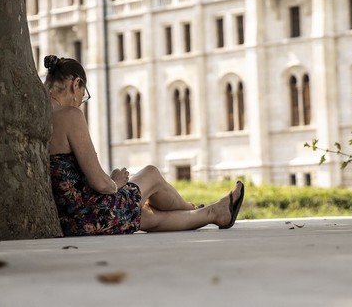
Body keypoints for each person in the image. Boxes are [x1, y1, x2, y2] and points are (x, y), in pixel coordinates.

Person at [44, 55, 245, 236]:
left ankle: (215, 212)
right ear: (75, 84)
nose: (80, 103)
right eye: (82, 96)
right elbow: (101, 184)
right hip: (91, 215)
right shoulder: (69, 115)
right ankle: (192, 207)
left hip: (68, 221)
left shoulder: (39, 115)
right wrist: (115, 182)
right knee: (151, 174)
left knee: (148, 216)